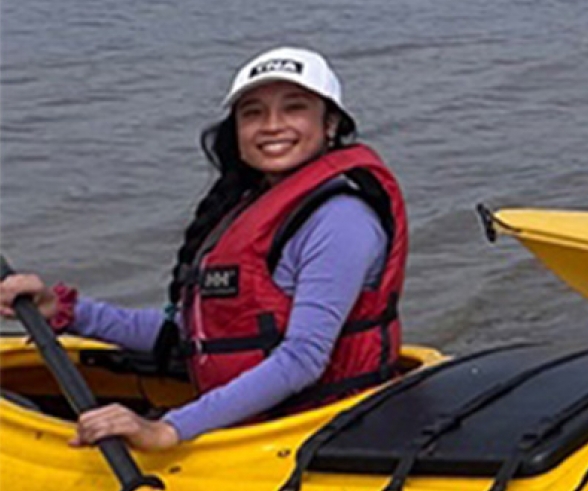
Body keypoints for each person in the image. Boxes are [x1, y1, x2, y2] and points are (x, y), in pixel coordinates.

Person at [0, 48, 406, 447]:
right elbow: (189, 335)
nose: (271, 126)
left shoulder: (340, 220)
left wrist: (167, 429)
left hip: (307, 433)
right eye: (253, 113)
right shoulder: (249, 208)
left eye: (294, 108)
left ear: (330, 123)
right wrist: (66, 312)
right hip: (255, 424)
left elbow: (303, 359)